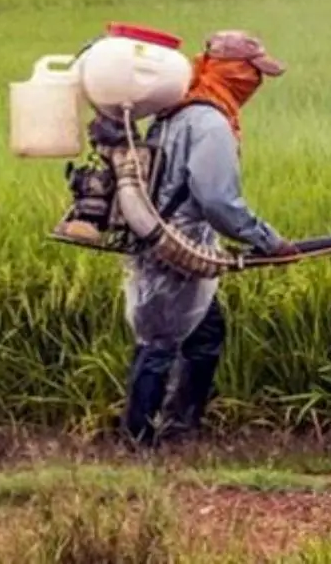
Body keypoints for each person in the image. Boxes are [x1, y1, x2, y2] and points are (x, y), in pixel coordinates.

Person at [115, 29, 299, 447]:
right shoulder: (210, 121)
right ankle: (139, 441)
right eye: (253, 72)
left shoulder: (176, 112)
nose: (255, 82)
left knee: (205, 332)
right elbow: (217, 200)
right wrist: (268, 241)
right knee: (160, 342)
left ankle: (182, 428)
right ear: (234, 71)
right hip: (175, 248)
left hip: (168, 239)